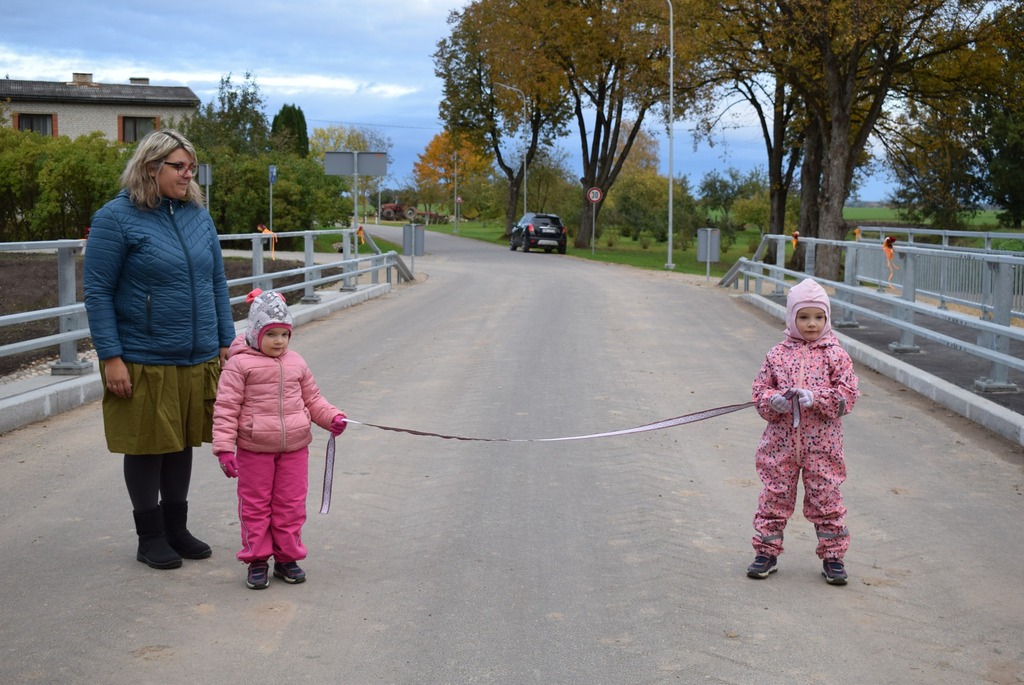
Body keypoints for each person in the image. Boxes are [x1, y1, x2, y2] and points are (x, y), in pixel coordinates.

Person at [84, 129, 235, 570]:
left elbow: (215, 282)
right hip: (141, 354)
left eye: (192, 167)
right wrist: (111, 357)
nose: (188, 175)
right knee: (147, 445)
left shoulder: (197, 215)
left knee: (181, 440)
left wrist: (225, 341)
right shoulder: (116, 218)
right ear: (152, 167)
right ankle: (149, 536)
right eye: (179, 167)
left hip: (195, 353)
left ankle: (176, 528)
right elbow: (97, 291)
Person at [212, 289, 348, 589]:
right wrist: (224, 448)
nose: (278, 341)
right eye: (271, 334)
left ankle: (286, 558)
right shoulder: (239, 365)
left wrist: (332, 418)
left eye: (284, 335)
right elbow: (225, 408)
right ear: (255, 333)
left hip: (295, 448)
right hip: (254, 449)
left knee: (291, 505)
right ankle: (257, 559)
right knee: (256, 505)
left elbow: (313, 399)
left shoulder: (296, 362)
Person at [746, 278, 859, 585]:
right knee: (774, 496)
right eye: (804, 317)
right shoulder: (778, 354)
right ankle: (766, 551)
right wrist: (774, 402)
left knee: (827, 499)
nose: (812, 324)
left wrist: (818, 398)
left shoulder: (836, 355)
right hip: (779, 445)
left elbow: (847, 396)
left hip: (823, 447)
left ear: (828, 318)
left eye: (819, 317)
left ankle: (833, 556)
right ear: (791, 318)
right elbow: (760, 392)